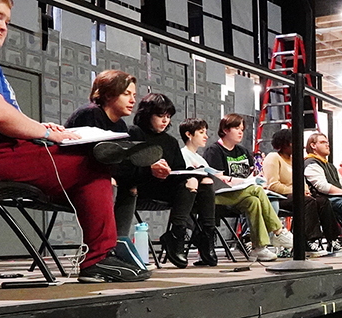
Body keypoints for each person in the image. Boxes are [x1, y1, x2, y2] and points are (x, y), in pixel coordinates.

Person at [0, 0, 151, 283]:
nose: (3, 26)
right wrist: (49, 134)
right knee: (93, 163)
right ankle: (100, 257)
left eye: (7, 20)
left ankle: (104, 249)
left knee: (84, 166)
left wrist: (38, 127)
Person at [65, 69, 167, 239]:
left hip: (99, 177)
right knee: (108, 180)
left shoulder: (120, 126)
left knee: (130, 187)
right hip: (73, 178)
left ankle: (118, 243)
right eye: (126, 94)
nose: (133, 100)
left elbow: (120, 164)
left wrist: (149, 168)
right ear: (108, 95)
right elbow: (96, 160)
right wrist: (146, 168)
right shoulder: (90, 114)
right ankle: (101, 246)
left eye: (134, 94)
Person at [128, 94, 218, 267]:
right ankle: (178, 234)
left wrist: (193, 172)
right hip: (142, 185)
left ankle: (206, 235)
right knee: (191, 181)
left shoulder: (170, 141)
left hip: (166, 186)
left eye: (168, 117)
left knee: (204, 181)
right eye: (160, 116)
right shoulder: (134, 133)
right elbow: (126, 165)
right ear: (148, 115)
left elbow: (178, 169)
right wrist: (150, 168)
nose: (165, 121)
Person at [203, 113, 294, 262]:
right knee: (256, 191)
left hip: (243, 193)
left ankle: (260, 247)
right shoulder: (214, 151)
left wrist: (258, 176)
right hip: (220, 195)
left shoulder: (243, 151)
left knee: (254, 201)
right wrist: (242, 182)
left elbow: (252, 174)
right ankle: (279, 231)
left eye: (242, 129)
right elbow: (217, 179)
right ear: (225, 130)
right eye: (236, 128)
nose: (240, 132)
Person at [262, 128, 341, 254]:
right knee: (307, 202)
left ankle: (333, 239)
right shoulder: (273, 158)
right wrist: (297, 191)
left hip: (297, 195)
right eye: (294, 142)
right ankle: (311, 240)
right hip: (279, 196)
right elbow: (273, 185)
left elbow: (302, 182)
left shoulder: (296, 160)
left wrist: (304, 190)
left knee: (322, 201)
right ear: (285, 143)